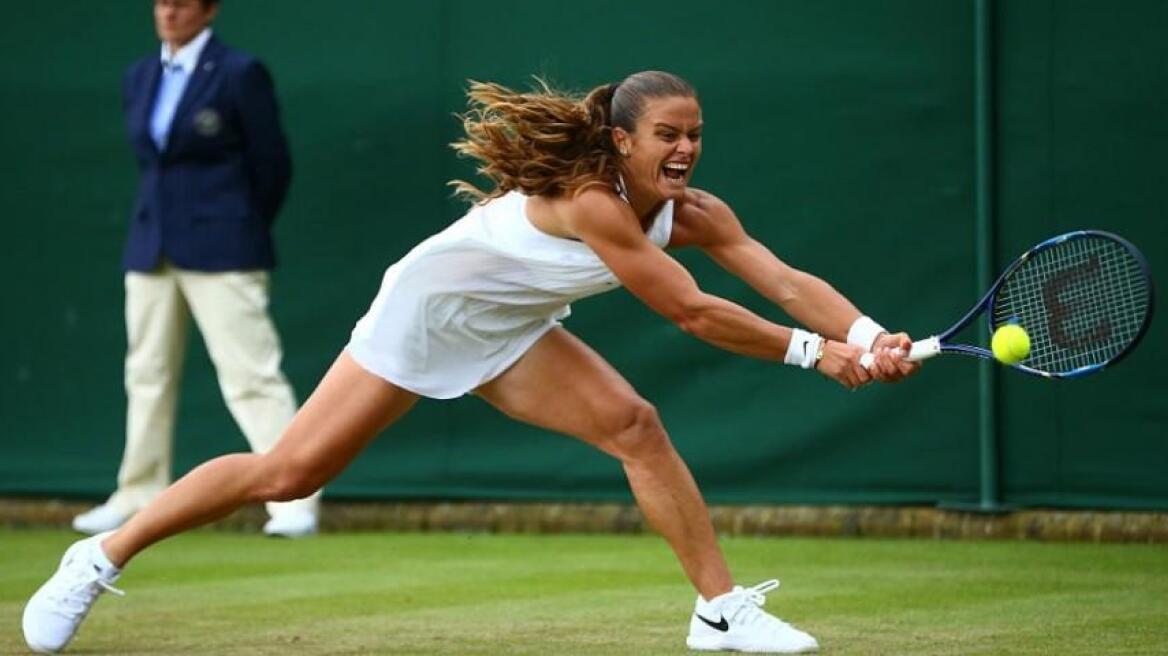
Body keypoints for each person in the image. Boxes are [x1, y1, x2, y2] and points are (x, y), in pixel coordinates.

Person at [24, 70, 919, 654]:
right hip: (428, 311)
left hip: (511, 326)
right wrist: (816, 355)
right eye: (666, 136)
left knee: (636, 427)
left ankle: (720, 612)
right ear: (620, 140)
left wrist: (869, 332)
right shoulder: (591, 203)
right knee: (290, 474)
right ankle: (101, 557)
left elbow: (784, 278)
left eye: (694, 134)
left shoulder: (698, 211)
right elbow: (688, 310)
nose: (684, 149)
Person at [70, 0, 320, 540]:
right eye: (162, 2)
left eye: (182, 3)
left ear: (208, 11)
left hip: (225, 248)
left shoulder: (238, 73)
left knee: (251, 373)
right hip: (150, 246)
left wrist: (235, 224)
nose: (169, 13)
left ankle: (293, 499)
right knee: (146, 374)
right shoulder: (139, 75)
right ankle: (138, 492)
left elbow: (271, 166)